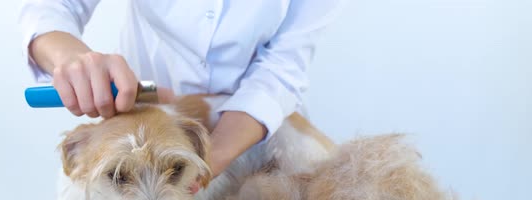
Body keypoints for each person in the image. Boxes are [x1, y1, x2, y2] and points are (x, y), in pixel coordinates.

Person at [18, 0, 342, 183]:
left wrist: (206, 164)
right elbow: (51, 7)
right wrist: (69, 57)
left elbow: (282, 68)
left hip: (252, 132)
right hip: (142, 122)